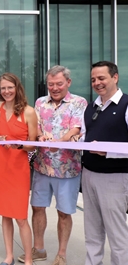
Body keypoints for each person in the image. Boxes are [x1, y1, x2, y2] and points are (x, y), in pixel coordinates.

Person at [18, 65, 87, 265]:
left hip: (68, 169)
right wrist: (40, 136)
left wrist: (60, 142)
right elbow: (35, 127)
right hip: (42, 166)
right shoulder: (40, 103)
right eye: (51, 84)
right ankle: (39, 249)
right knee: (37, 208)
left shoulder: (78, 102)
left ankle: (62, 253)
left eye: (59, 84)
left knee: (64, 212)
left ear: (68, 83)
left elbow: (76, 129)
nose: (55, 88)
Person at [79, 61, 128, 265]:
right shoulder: (91, 108)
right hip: (89, 175)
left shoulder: (126, 105)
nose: (97, 83)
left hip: (115, 179)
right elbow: (84, 137)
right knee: (92, 233)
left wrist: (108, 152)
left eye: (101, 78)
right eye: (93, 79)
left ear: (115, 78)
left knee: (117, 236)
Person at [0, 73, 38, 265]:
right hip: (1, 164)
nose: (6, 91)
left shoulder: (29, 111)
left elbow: (33, 145)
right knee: (5, 214)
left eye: (10, 87)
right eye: (3, 88)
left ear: (17, 88)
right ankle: (9, 256)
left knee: (20, 216)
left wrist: (18, 144)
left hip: (18, 167)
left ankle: (28, 259)